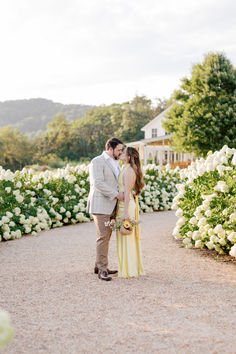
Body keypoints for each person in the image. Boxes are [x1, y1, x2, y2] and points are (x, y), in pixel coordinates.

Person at [87, 137, 124, 281]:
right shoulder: (97, 161)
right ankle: (102, 270)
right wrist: (117, 195)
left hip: (113, 205)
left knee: (107, 237)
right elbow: (98, 184)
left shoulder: (117, 163)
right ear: (110, 149)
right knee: (103, 237)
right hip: (100, 204)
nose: (121, 152)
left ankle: (99, 265)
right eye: (119, 150)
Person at [116, 147, 145, 278]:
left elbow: (126, 194)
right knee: (124, 236)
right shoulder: (126, 169)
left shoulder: (128, 171)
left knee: (126, 235)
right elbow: (128, 190)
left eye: (123, 152)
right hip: (124, 204)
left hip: (125, 206)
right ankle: (127, 267)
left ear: (128, 157)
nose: (121, 153)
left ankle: (129, 269)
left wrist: (126, 213)